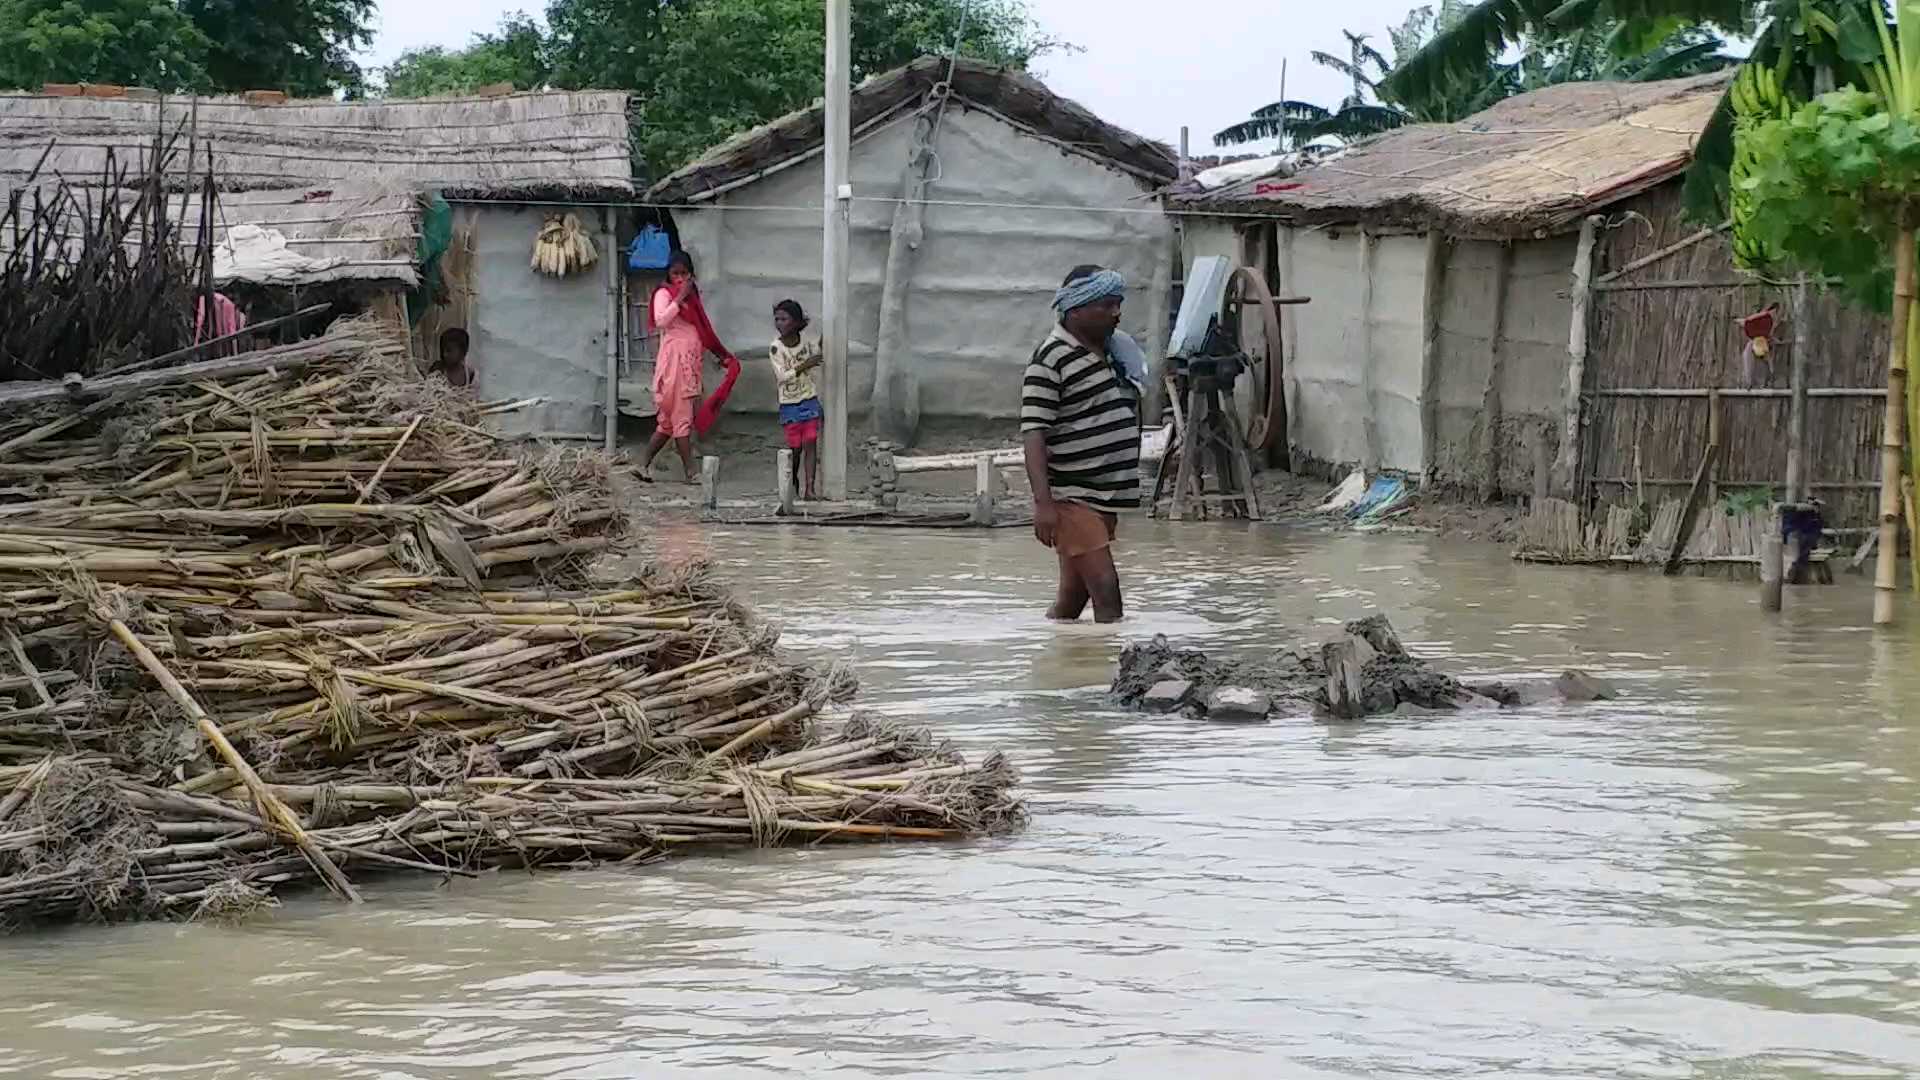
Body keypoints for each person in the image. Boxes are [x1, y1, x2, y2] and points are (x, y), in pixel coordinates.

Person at [1020, 264, 1141, 624]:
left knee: (1073, 598)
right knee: (1106, 590)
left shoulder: (1117, 352)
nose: (1117, 312)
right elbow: (1034, 433)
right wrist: (1044, 504)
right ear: (1075, 311)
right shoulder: (1050, 358)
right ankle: (1113, 671)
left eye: (1118, 303)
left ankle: (1060, 664)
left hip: (1105, 493)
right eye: (1106, 305)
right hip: (1074, 494)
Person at [636, 251, 734, 483]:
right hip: (675, 363)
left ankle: (642, 465)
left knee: (668, 423)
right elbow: (660, 321)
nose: (680, 277)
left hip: (690, 363)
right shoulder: (664, 294)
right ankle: (691, 472)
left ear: (691, 274)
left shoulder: (694, 299)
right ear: (668, 275)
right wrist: (678, 298)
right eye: (675, 273)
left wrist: (717, 354)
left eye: (684, 273)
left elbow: (703, 330)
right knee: (681, 419)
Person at [769, 299, 824, 500]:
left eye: (784, 319)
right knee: (796, 448)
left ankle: (810, 488)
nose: (779, 323)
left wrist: (822, 344)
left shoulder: (806, 341)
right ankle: (793, 482)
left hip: (808, 397)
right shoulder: (776, 348)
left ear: (796, 322)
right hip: (789, 403)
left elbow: (817, 356)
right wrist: (804, 365)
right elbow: (782, 376)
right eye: (777, 319)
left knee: (811, 441)